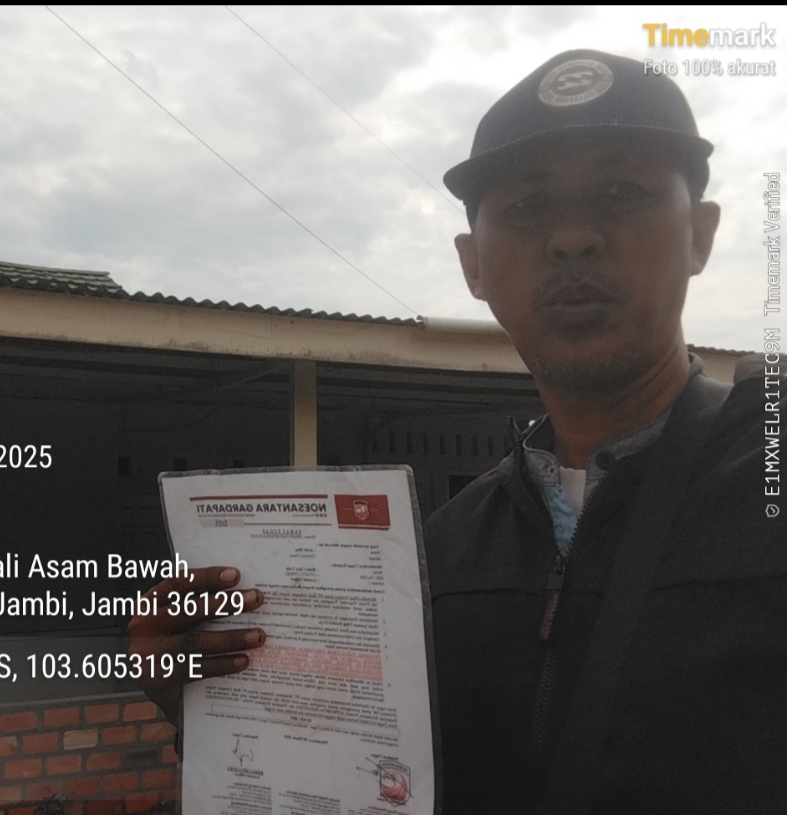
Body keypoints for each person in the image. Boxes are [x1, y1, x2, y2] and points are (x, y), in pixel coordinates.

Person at [128, 50, 786, 813]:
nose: (574, 236)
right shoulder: (433, 559)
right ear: (473, 265)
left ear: (700, 234)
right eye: (528, 205)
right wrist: (219, 708)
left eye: (620, 192)